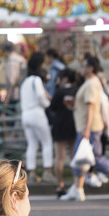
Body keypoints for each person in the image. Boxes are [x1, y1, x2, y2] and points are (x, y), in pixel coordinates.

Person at [60, 56, 109, 202]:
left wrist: (86, 129)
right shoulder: (90, 82)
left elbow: (91, 106)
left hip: (90, 127)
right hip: (86, 126)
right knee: (79, 159)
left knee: (95, 158)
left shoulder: (92, 83)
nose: (81, 68)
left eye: (83, 65)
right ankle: (78, 189)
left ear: (90, 68)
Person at [19, 52, 54, 185]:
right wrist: (48, 104)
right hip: (37, 113)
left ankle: (31, 172)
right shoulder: (37, 80)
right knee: (46, 142)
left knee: (32, 144)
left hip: (26, 114)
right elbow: (40, 96)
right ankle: (47, 171)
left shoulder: (26, 81)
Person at [48, 68, 79, 197]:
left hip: (60, 125)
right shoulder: (77, 90)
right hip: (74, 124)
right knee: (74, 156)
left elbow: (52, 107)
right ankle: (76, 184)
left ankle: (60, 185)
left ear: (65, 78)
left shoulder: (59, 92)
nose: (58, 80)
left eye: (60, 77)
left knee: (59, 157)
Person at [1, 42, 28, 108]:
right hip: (23, 92)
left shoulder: (11, 61)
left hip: (14, 96)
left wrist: (6, 99)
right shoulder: (21, 59)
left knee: (12, 116)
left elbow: (11, 81)